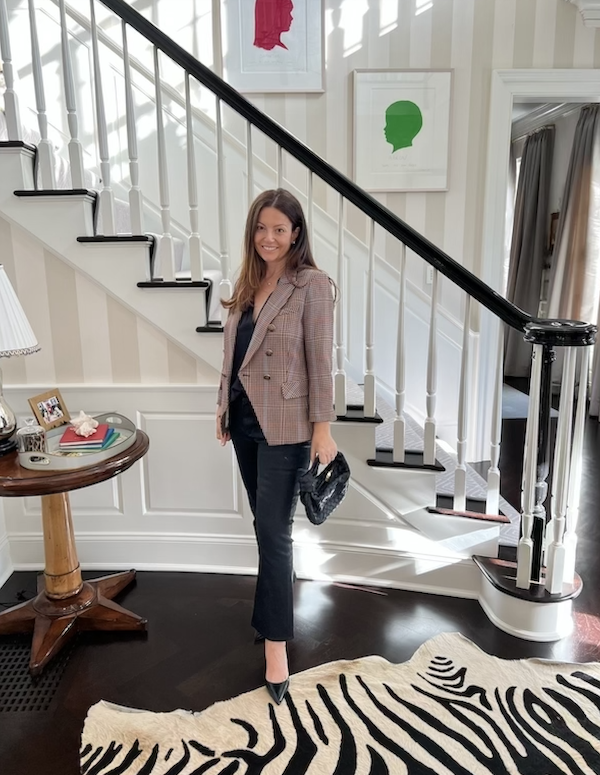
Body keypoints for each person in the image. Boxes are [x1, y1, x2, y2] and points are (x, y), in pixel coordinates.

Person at [216, 188, 337, 705]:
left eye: (280, 230)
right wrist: (222, 408)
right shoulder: (247, 283)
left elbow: (319, 360)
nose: (269, 238)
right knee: (266, 530)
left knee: (274, 531)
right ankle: (269, 618)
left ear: (296, 234)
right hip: (244, 422)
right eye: (262, 228)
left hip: (286, 426)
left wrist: (323, 427)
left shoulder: (312, 285)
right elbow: (233, 355)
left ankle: (276, 646)